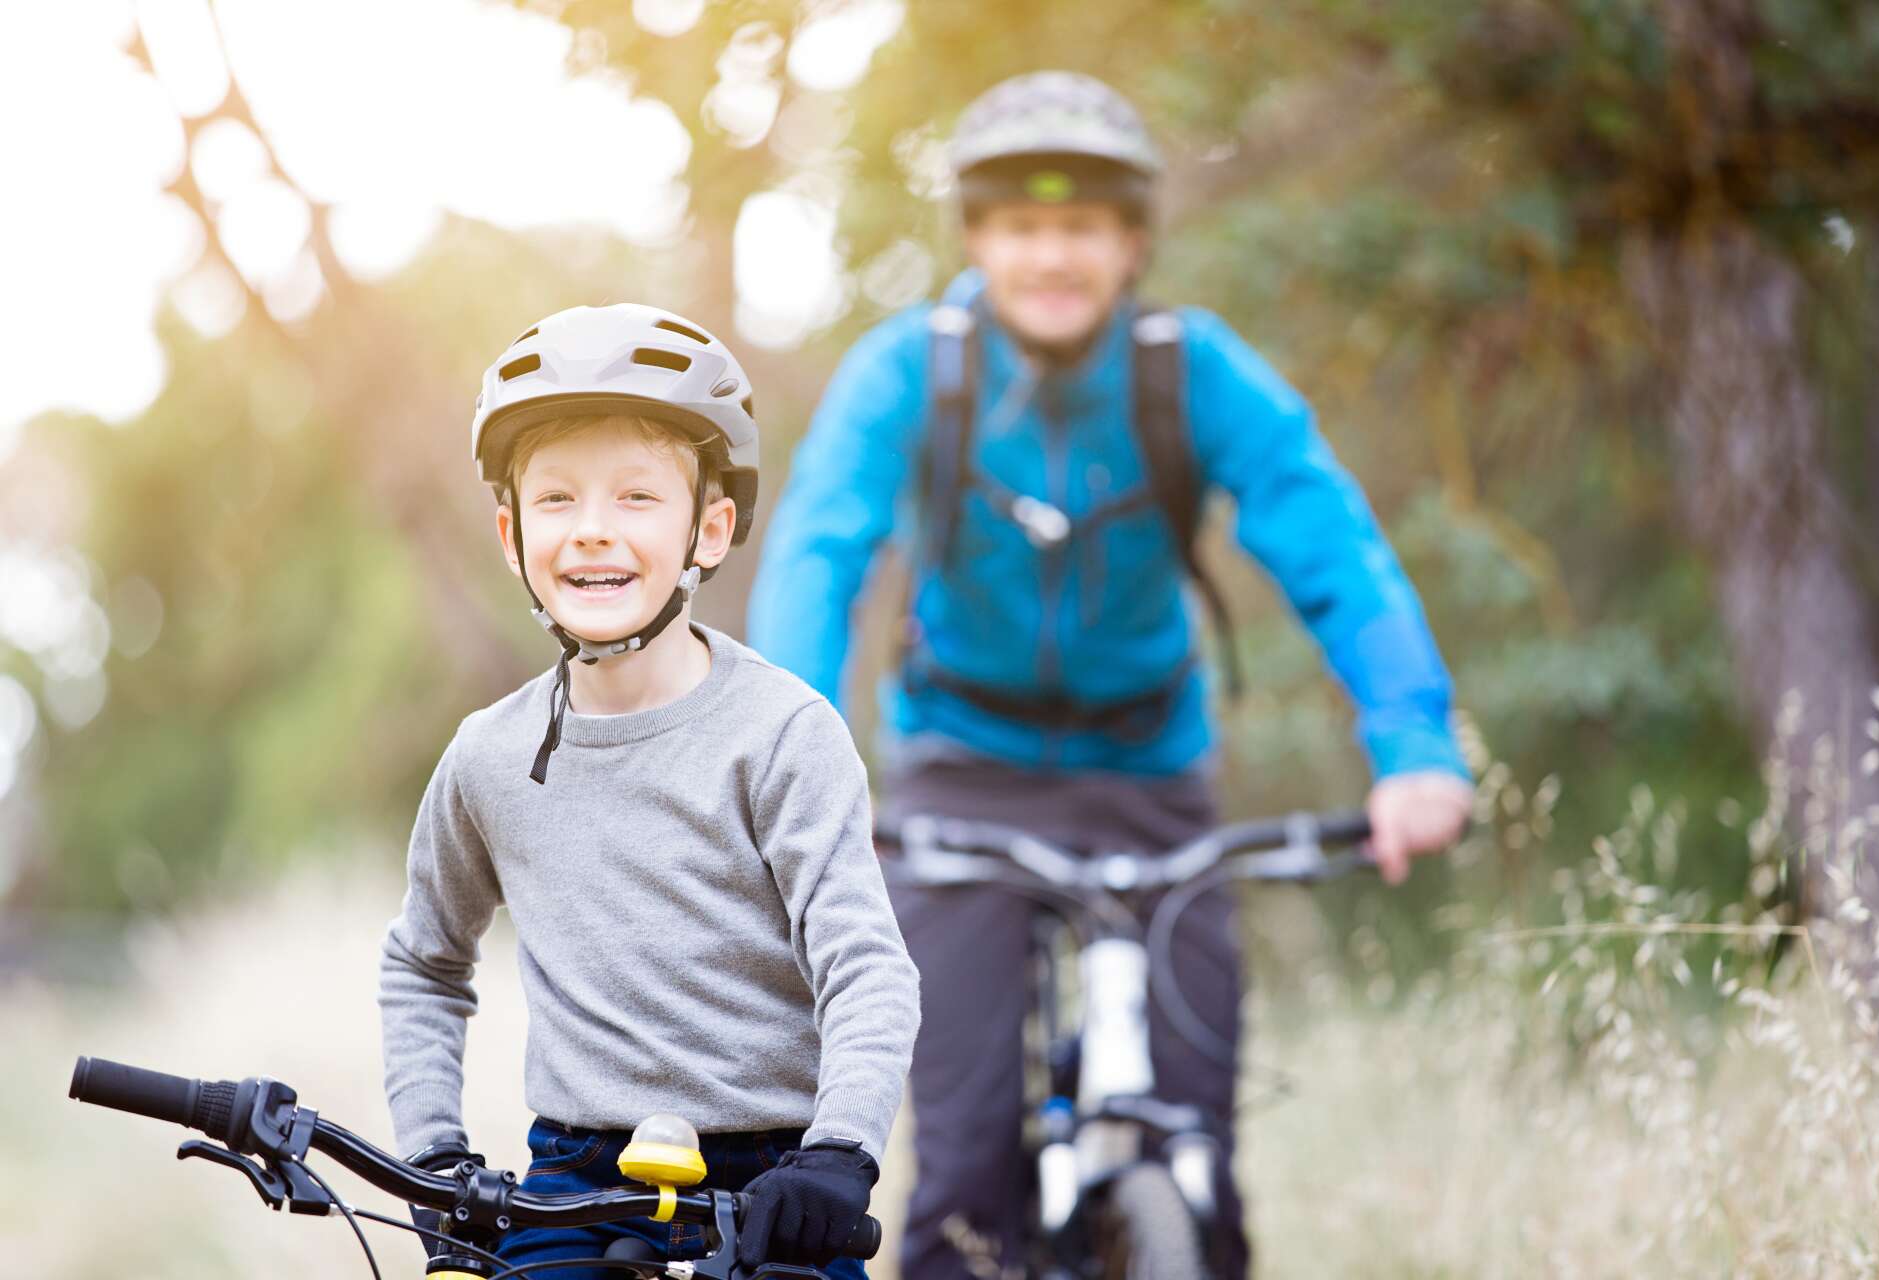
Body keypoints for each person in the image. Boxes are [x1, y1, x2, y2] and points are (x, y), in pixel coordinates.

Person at [746, 72, 1474, 1280]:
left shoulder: (1192, 372)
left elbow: (1334, 549)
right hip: (961, 773)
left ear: (1132, 242)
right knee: (966, 1172)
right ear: (978, 238)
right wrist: (790, 782)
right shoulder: (912, 373)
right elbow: (819, 558)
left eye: (1082, 227)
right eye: (1024, 227)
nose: (1052, 255)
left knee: (1200, 1155)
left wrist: (1416, 749)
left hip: (1151, 772)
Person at [378, 303, 920, 1280]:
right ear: (510, 532)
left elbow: (867, 968)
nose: (593, 531)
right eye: (556, 499)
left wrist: (841, 1150)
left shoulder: (785, 734)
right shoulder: (487, 758)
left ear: (709, 527)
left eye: (636, 496)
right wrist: (434, 1157)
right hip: (573, 1181)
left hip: (775, 1182)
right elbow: (424, 961)